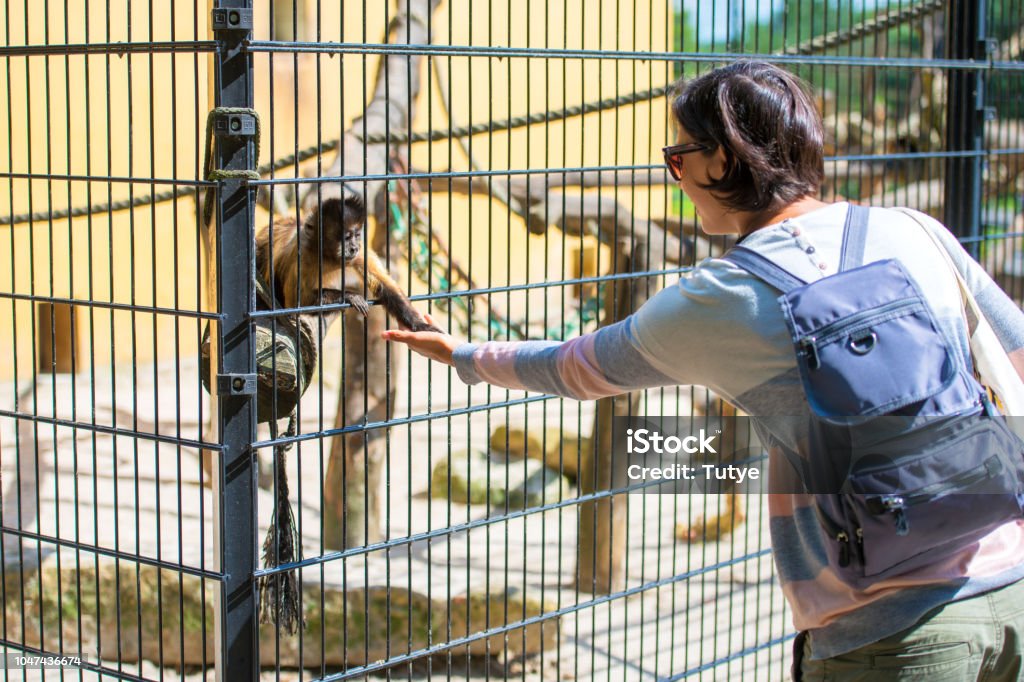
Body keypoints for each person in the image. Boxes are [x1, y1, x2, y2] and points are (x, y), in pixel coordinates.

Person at [382, 60, 1024, 681]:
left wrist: (462, 355)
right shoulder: (915, 229)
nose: (676, 175)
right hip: (1012, 584)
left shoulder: (723, 296)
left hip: (888, 633)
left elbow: (576, 368)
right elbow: (1016, 350)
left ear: (722, 158)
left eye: (679, 156)